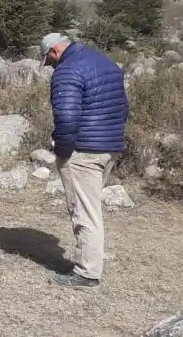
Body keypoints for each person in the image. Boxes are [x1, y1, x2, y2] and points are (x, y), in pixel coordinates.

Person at [41, 32, 129, 290]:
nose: (51, 66)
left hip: (83, 151)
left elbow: (66, 117)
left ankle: (87, 273)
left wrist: (64, 151)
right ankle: (90, 265)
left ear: (55, 51)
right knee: (92, 208)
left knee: (85, 212)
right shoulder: (106, 63)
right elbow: (123, 108)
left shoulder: (68, 71)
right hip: (108, 147)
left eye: (49, 60)